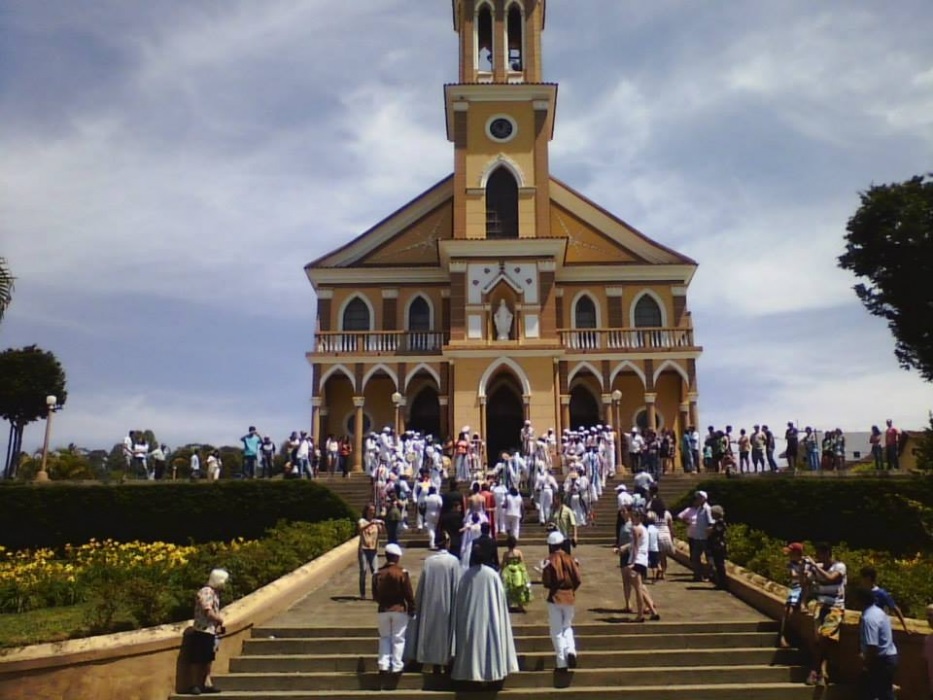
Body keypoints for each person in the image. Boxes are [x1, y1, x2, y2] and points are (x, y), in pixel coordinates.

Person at [451, 543, 519, 684]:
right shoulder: (492, 575)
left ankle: (471, 675)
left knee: (472, 646)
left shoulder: (466, 576)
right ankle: (493, 675)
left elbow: (461, 599)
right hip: (491, 617)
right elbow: (500, 598)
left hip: (471, 619)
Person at [404, 531, 461, 673]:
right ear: (447, 543)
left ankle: (432, 663)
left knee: (429, 633)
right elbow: (457, 585)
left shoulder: (429, 561)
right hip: (447, 604)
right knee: (445, 633)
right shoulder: (453, 561)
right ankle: (446, 662)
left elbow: (422, 585)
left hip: (430, 604)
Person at [804, 542, 847, 686]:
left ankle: (815, 669)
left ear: (828, 553)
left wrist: (815, 566)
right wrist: (805, 570)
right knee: (818, 639)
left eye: (821, 554)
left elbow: (831, 578)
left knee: (824, 636)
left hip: (835, 607)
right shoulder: (818, 568)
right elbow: (806, 582)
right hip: (820, 606)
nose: (819, 558)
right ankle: (822, 672)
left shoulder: (839, 567)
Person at [373, 543, 415, 677]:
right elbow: (408, 593)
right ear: (397, 557)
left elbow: (375, 595)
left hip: (383, 609)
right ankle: (397, 666)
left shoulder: (378, 573)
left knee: (384, 637)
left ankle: (383, 665)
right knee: (398, 638)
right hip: (399, 608)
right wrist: (412, 607)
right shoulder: (402, 573)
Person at [541, 531, 581, 671]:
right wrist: (571, 591)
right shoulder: (571, 559)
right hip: (569, 596)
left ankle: (561, 662)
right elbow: (577, 579)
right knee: (567, 626)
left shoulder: (549, 560)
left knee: (556, 630)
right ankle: (571, 650)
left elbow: (546, 582)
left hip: (555, 597)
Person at [186, 568, 228, 695]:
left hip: (210, 631)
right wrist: (219, 620)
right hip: (202, 630)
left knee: (208, 658)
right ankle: (194, 684)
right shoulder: (206, 592)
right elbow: (207, 611)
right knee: (197, 658)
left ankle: (206, 683)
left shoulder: (215, 594)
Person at [853, 585, 898, 700]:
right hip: (889, 657)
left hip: (881, 661)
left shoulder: (869, 618)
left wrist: (866, 666)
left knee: (876, 693)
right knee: (884, 692)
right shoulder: (878, 612)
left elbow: (872, 645)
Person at [627, 509, 660, 622]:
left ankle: (640, 614)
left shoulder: (636, 529)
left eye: (633, 517)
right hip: (643, 560)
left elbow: (635, 547)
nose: (631, 518)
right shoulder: (644, 529)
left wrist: (633, 562)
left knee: (638, 589)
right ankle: (653, 611)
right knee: (641, 587)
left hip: (637, 560)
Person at [859, 566, 910, 634]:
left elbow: (895, 609)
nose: (861, 580)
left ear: (868, 578)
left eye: (862, 578)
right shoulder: (864, 593)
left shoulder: (882, 594)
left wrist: (905, 627)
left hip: (878, 628)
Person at [780, 542, 807, 648]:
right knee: (789, 611)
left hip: (804, 588)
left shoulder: (806, 563)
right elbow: (793, 575)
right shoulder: (792, 564)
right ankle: (784, 636)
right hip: (795, 588)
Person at [358, 504, 384, 600]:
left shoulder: (376, 522)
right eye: (370, 510)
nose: (372, 512)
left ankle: (376, 594)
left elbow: (381, 532)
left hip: (373, 549)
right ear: (366, 511)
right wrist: (371, 523)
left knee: (375, 572)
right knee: (363, 571)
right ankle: (362, 593)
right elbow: (360, 529)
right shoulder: (362, 521)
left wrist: (381, 525)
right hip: (364, 549)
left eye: (373, 510)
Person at [500, 535, 531, 612]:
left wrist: (500, 572)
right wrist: (524, 572)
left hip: (508, 572)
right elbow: (522, 562)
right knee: (519, 588)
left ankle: (508, 604)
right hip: (518, 571)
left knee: (508, 588)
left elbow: (503, 564)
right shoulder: (519, 552)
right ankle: (520, 605)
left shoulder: (506, 554)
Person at [707, 505, 727, 589]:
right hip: (715, 545)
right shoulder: (717, 523)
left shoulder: (720, 523)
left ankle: (722, 583)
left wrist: (711, 530)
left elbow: (717, 531)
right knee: (717, 564)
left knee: (719, 564)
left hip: (718, 546)